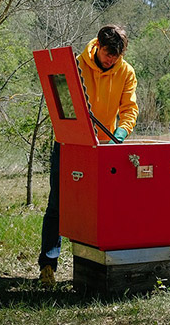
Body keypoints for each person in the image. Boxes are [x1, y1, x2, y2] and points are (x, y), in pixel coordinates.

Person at [38, 25, 139, 287]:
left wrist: (121, 131)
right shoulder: (75, 66)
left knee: (102, 207)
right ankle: (48, 265)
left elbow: (129, 108)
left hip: (105, 147)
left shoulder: (126, 72)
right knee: (58, 205)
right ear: (99, 46)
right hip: (70, 144)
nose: (111, 60)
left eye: (116, 56)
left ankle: (95, 265)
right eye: (108, 54)